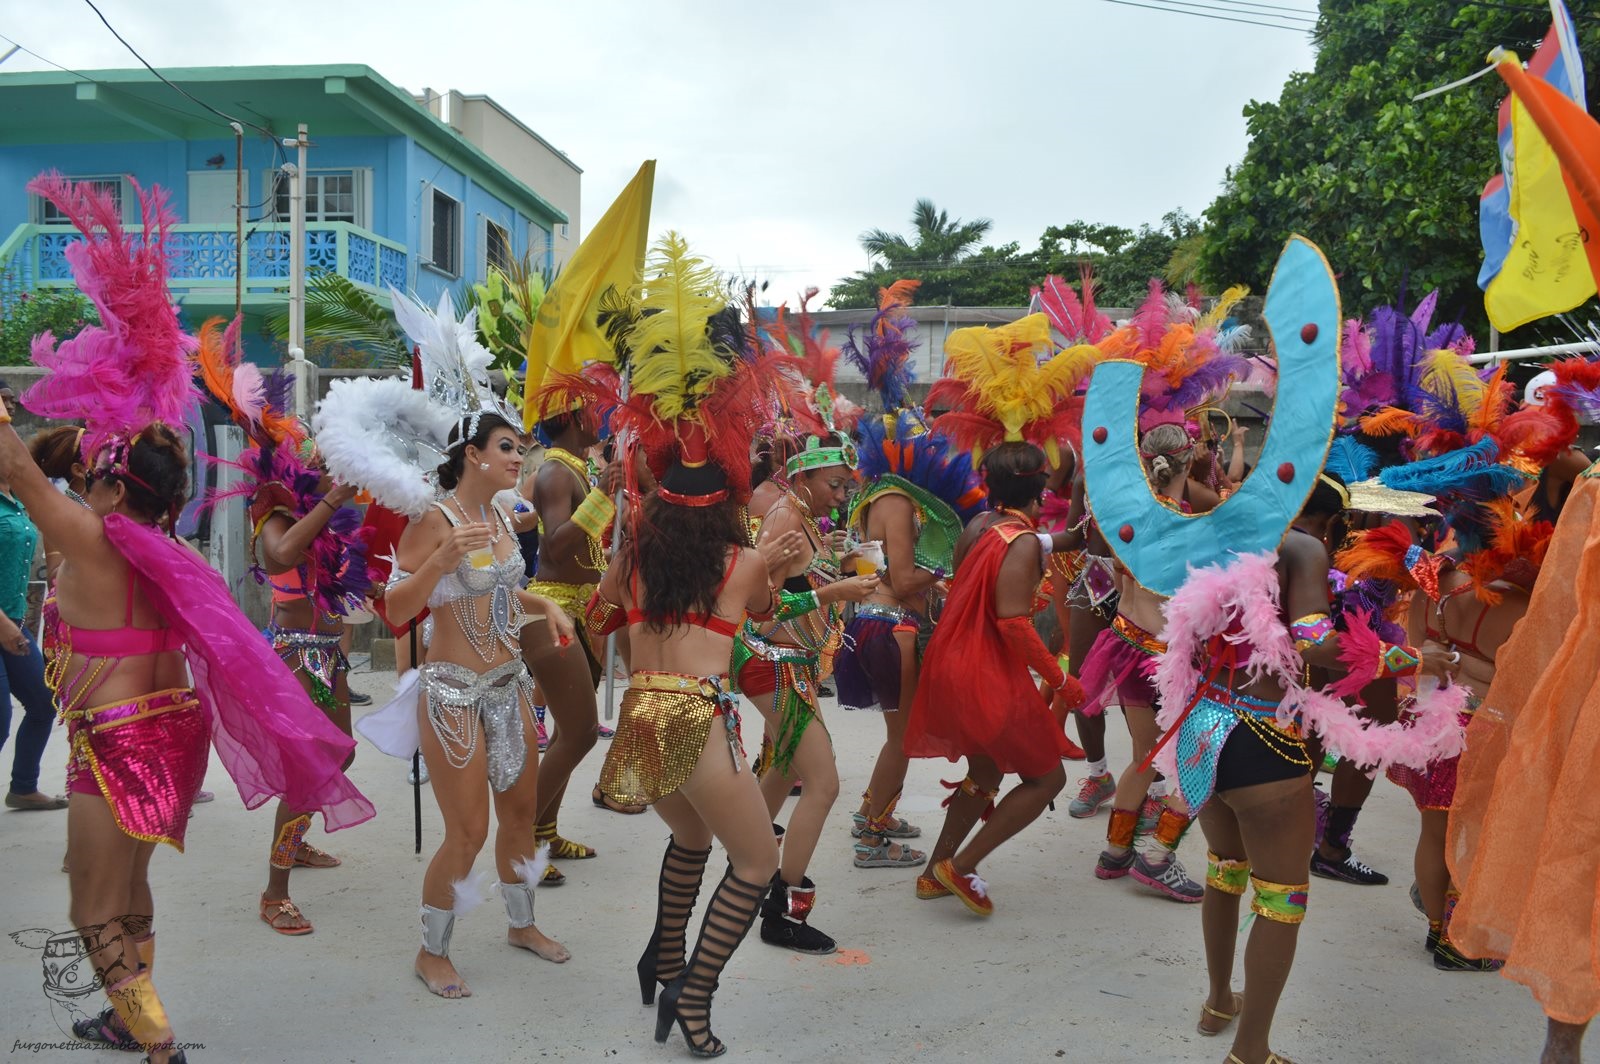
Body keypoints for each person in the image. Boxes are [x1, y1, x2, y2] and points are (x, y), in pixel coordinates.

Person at [8, 174, 373, 1064]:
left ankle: (154, 1036)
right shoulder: (166, 550)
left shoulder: (92, 539)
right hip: (174, 731)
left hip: (115, 734)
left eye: (91, 460)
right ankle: (127, 1014)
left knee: (87, 904)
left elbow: (15, 464)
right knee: (127, 889)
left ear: (102, 480)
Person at [1151, 473, 1458, 1064]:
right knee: (1281, 899)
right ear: (1333, 523)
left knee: (1225, 870)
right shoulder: (1303, 546)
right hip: (1262, 735)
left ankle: (1219, 1001)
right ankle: (1252, 1050)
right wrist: (1409, 657)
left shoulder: (1225, 537)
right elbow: (1315, 644)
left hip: (1204, 727)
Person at [381, 410, 575, 994]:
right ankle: (430, 952)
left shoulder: (498, 513)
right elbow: (393, 610)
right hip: (452, 695)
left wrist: (544, 606)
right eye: (508, 448)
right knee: (466, 831)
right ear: (473, 453)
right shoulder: (432, 521)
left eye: (522, 449)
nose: (520, 459)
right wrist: (439, 561)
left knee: (520, 816)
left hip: (508, 684)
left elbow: (499, 586)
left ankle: (522, 925)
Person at [904, 441, 1083, 913]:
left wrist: (1080, 506)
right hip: (983, 671)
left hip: (949, 662)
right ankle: (960, 866)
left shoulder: (982, 526)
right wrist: (1061, 681)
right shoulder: (1021, 541)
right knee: (1047, 780)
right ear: (1040, 491)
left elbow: (1056, 542)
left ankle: (932, 874)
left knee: (983, 772)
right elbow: (1012, 623)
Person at [738, 432, 879, 953]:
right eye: (835, 484)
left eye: (846, 486)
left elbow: (791, 588)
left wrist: (835, 568)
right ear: (802, 477)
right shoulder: (784, 517)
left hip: (790, 662)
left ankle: (744, 855)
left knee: (787, 765)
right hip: (772, 663)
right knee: (824, 785)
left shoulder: (800, 517)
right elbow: (761, 606)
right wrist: (834, 590)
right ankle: (782, 911)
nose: (842, 496)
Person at [834, 411, 985, 871]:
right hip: (889, 626)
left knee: (896, 737)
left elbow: (869, 568)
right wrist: (952, 567)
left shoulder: (872, 496)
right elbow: (899, 581)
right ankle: (872, 839)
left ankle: (870, 814)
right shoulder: (898, 501)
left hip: (872, 622)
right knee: (900, 740)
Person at [1078, 421, 1207, 902]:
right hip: (1162, 657)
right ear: (1189, 462)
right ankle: (1158, 857)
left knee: (1144, 757)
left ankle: (1115, 853)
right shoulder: (1185, 526)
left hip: (1124, 642)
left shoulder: (1126, 516)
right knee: (1197, 762)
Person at [527, 406, 635, 872]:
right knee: (581, 733)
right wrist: (603, 498)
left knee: (568, 733)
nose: (601, 417)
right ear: (572, 421)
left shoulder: (573, 468)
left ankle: (545, 833)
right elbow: (555, 545)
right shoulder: (554, 471)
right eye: (592, 412)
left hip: (582, 610)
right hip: (556, 612)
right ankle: (523, 838)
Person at [0, 383, 64, 812]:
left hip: (13, 622)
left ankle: (23, 786)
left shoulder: (18, 501)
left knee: (43, 703)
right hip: (4, 623)